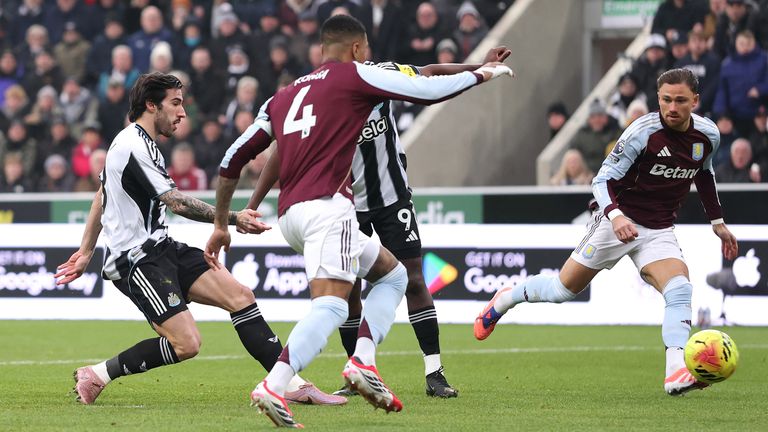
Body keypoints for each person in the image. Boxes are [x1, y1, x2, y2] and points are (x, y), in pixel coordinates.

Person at [206, 14, 512, 428]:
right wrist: (482, 75)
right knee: (332, 305)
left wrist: (223, 221)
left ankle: (363, 362)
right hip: (329, 209)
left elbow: (231, 159)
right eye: (363, 51)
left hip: (292, 214)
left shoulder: (284, 95)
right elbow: (426, 88)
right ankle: (274, 385)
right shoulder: (356, 77)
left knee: (395, 276)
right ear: (355, 50)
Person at [55, 72, 343, 407]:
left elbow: (100, 197)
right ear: (151, 105)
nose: (182, 114)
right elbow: (175, 202)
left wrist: (86, 250)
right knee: (187, 344)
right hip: (137, 261)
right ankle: (99, 374)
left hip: (162, 248)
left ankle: (289, 383)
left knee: (240, 296)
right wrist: (232, 219)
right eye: (175, 104)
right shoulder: (132, 144)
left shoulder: (140, 144)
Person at [474, 68, 739, 396]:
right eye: (666, 99)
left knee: (680, 290)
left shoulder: (708, 135)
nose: (672, 107)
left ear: (695, 101)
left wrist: (718, 222)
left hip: (658, 229)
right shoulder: (642, 133)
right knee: (562, 290)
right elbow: (601, 180)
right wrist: (615, 218)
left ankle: (676, 372)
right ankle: (505, 299)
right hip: (615, 221)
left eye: (680, 101)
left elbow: (705, 173)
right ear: (658, 99)